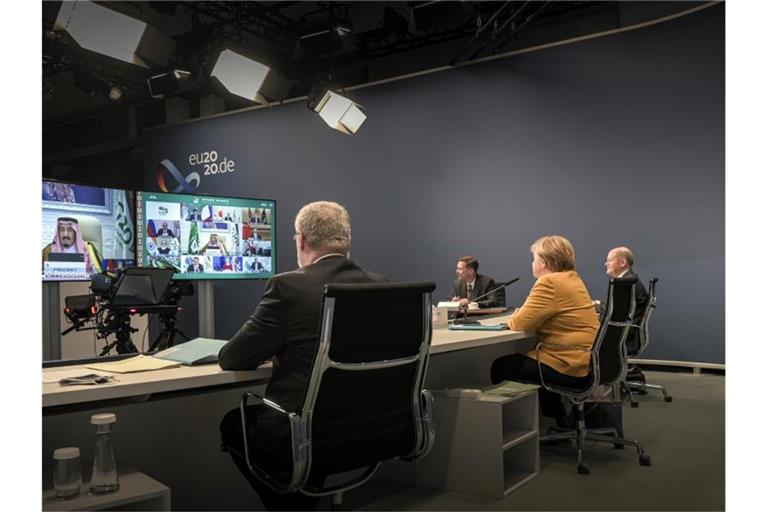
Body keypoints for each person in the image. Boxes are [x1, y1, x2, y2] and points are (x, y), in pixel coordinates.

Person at [218, 201, 388, 510]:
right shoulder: (379, 285)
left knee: (234, 424)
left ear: (301, 240)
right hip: (368, 429)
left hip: (304, 433)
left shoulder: (288, 286)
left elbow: (232, 358)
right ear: (346, 240)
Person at [490, 235, 599, 426]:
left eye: (534, 259)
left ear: (545, 262)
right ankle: (557, 418)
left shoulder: (548, 283)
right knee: (531, 360)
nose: (533, 263)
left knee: (502, 366)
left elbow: (519, 324)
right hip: (586, 360)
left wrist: (519, 314)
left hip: (568, 363)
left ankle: (514, 427)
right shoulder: (572, 278)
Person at [604, 246, 648, 355]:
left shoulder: (626, 284)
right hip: (629, 334)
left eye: (609, 260)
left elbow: (614, 312)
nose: (606, 264)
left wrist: (594, 306)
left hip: (624, 337)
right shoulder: (631, 280)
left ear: (623, 262)